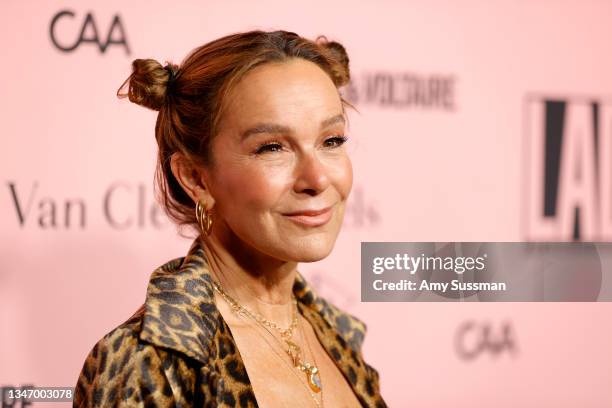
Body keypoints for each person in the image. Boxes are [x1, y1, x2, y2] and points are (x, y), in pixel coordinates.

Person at [74, 29, 387, 408]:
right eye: (272, 147)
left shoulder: (338, 337)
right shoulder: (149, 362)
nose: (318, 179)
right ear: (195, 177)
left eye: (331, 141)